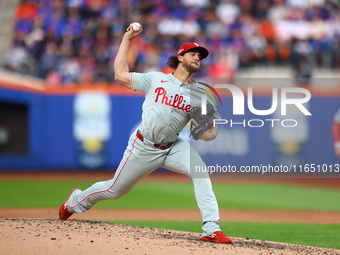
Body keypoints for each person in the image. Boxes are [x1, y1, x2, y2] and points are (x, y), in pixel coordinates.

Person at [59, 23, 232, 244]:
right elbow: (120, 74)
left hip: (172, 146)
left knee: (200, 172)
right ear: (180, 57)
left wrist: (207, 132)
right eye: (193, 54)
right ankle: (74, 201)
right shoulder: (156, 79)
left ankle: (211, 228)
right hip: (143, 146)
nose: (197, 58)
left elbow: (211, 132)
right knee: (114, 190)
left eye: (200, 56)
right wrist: (127, 39)